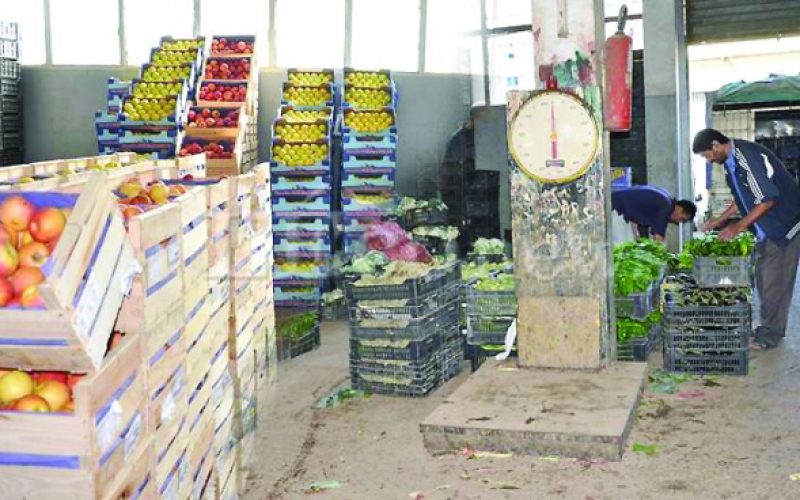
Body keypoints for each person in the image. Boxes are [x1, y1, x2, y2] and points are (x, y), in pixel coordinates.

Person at [692, 128, 800, 349]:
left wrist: (737, 227)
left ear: (716, 145)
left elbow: (766, 200)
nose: (708, 160)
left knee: (774, 283)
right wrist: (719, 220)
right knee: (765, 280)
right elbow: (743, 198)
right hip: (767, 228)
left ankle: (769, 336)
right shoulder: (731, 162)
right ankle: (769, 329)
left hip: (781, 227)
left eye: (706, 155)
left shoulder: (746, 157)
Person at [611, 185, 697, 243]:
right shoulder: (665, 207)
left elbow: (637, 208)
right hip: (615, 209)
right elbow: (658, 238)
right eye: (681, 219)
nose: (678, 222)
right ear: (680, 209)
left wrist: (637, 236)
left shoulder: (666, 198)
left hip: (616, 204)